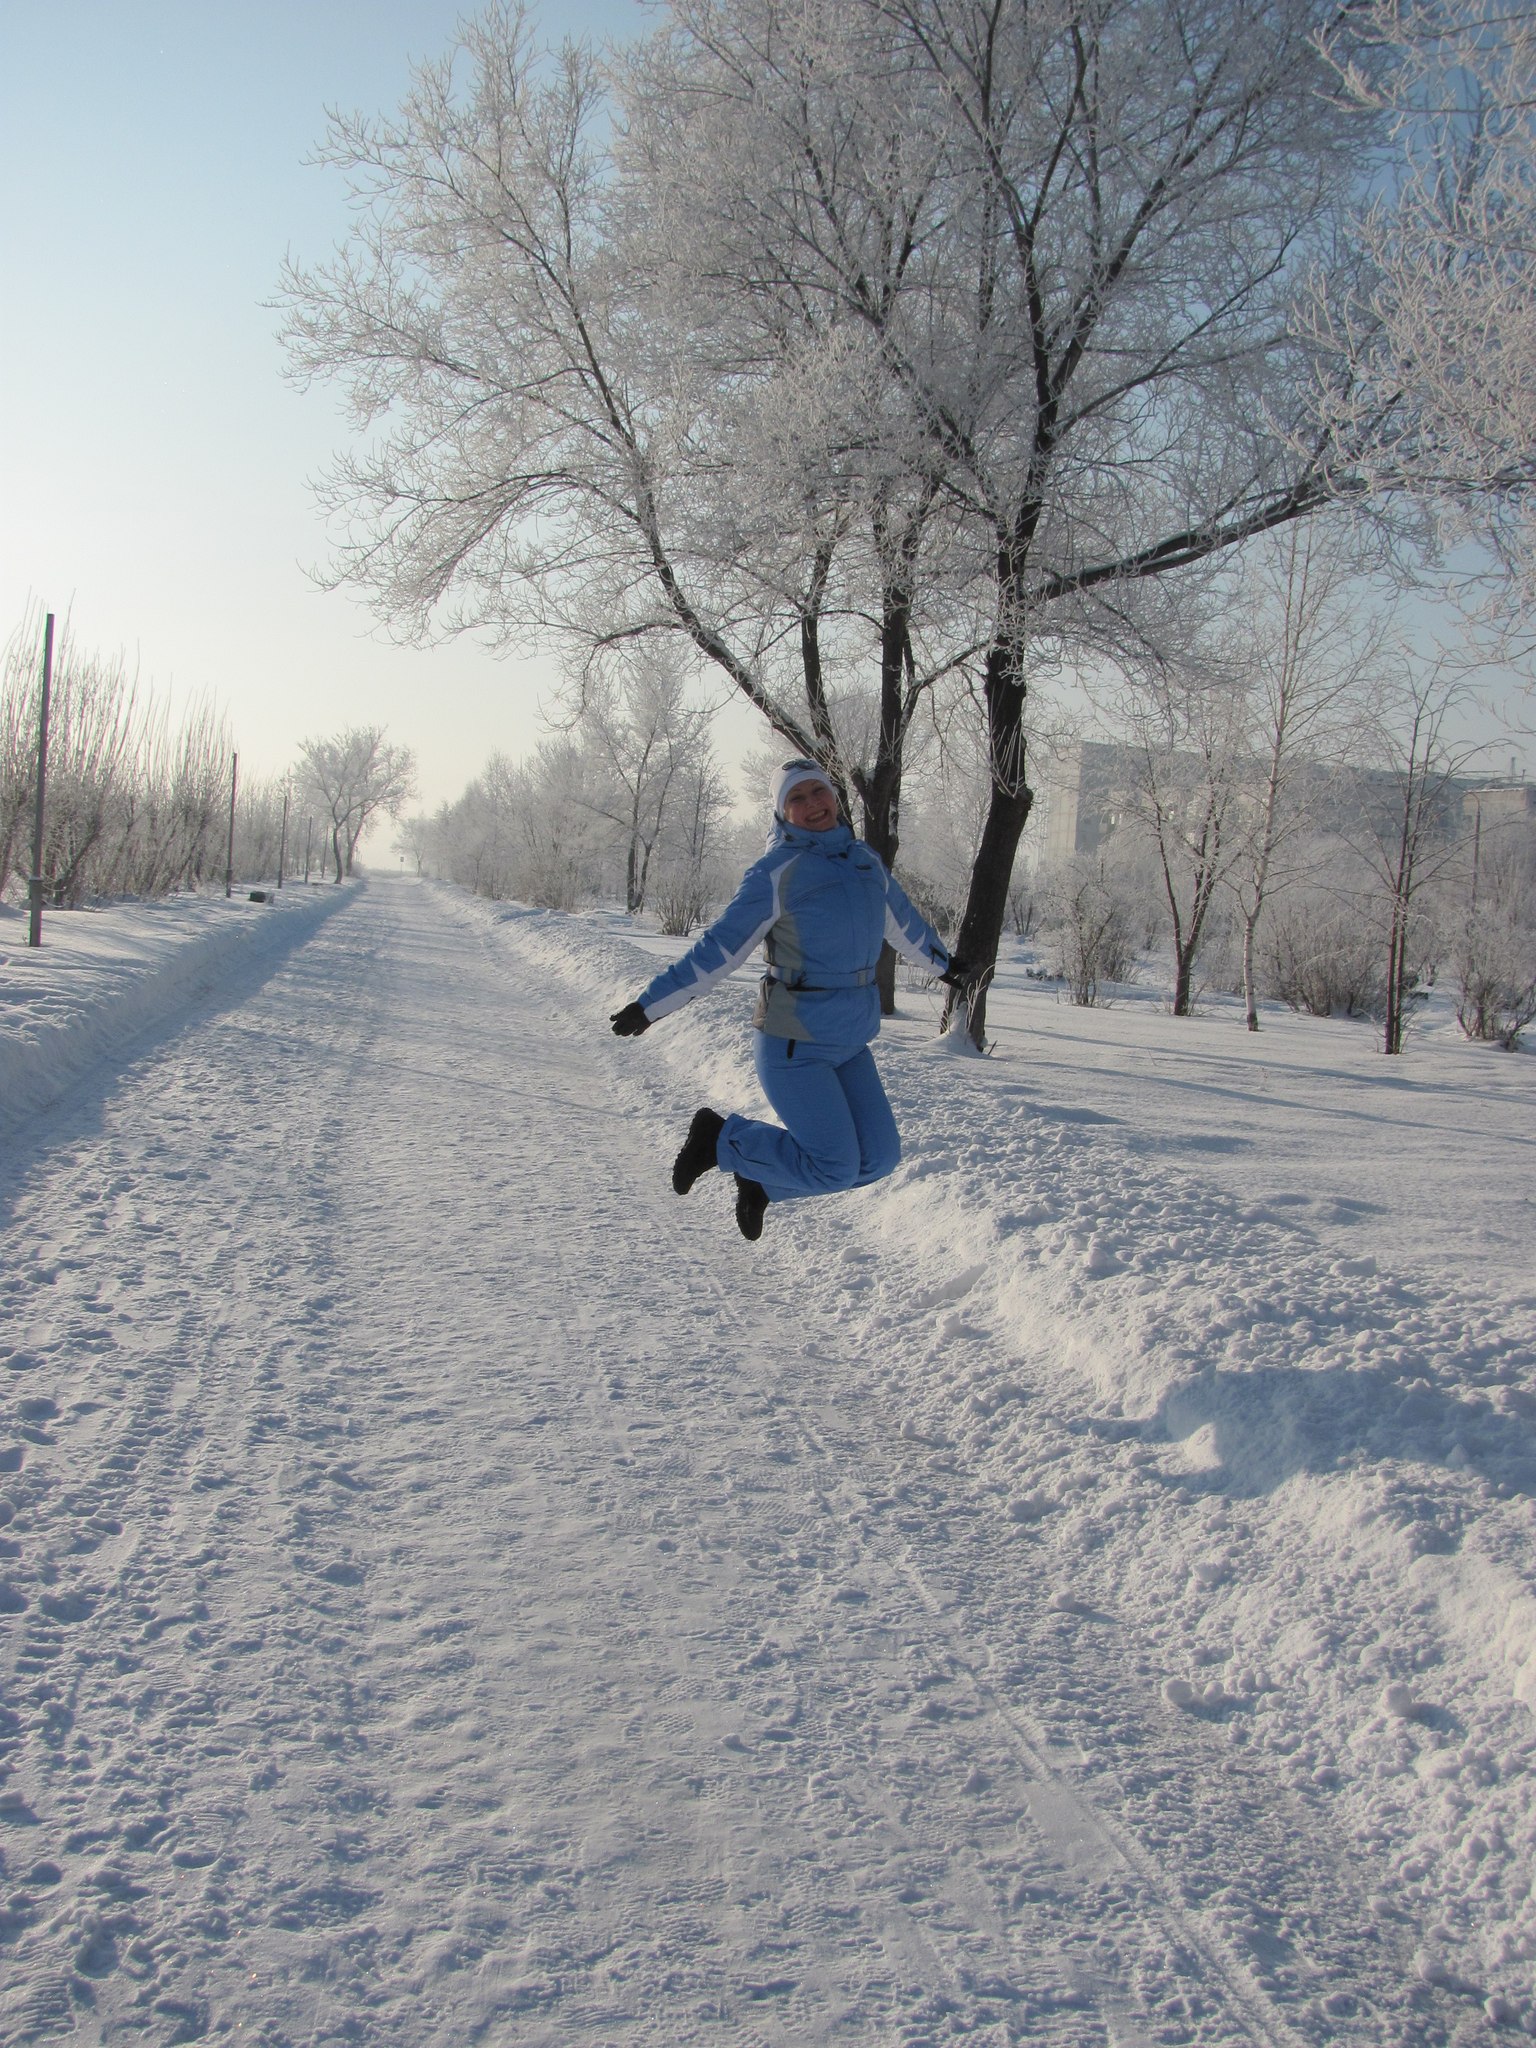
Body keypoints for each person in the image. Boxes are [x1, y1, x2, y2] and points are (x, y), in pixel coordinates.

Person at [610, 758, 969, 1242]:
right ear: (782, 813)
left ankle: (762, 1182)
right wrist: (650, 1005)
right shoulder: (775, 872)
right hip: (794, 1042)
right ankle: (720, 1139)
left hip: (851, 1042)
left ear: (834, 796)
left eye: (818, 791)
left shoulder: (865, 862)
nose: (812, 804)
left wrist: (944, 966)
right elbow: (719, 950)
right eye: (796, 798)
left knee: (879, 1159)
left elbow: (905, 926)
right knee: (835, 1165)